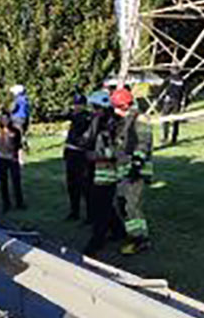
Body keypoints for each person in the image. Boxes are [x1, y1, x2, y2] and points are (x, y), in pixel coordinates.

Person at [111, 88, 153, 255]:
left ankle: (140, 240)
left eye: (116, 107)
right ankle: (132, 234)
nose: (114, 110)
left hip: (136, 171)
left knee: (132, 206)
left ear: (123, 105)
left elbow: (143, 143)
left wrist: (136, 165)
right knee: (123, 204)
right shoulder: (126, 119)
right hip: (125, 170)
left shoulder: (140, 119)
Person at [83, 91, 125, 255]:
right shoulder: (98, 122)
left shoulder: (115, 125)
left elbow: (118, 150)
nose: (93, 111)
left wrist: (97, 155)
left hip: (107, 172)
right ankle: (118, 231)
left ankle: (96, 241)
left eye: (95, 108)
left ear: (104, 107)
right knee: (101, 204)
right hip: (95, 170)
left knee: (100, 208)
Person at [62, 93, 93, 220]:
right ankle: (74, 211)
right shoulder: (74, 116)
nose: (77, 107)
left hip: (81, 153)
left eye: (79, 104)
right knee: (72, 184)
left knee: (85, 185)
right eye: (75, 104)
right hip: (71, 151)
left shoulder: (86, 117)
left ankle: (90, 214)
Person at [0, 111, 26, 212]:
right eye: (2, 119)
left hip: (12, 158)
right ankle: (6, 203)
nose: (4, 121)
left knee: (16, 181)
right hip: (1, 158)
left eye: (6, 118)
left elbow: (19, 146)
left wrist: (20, 158)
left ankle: (19, 203)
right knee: (3, 182)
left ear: (9, 119)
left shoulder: (15, 131)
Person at [158, 71, 187, 145]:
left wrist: (161, 98)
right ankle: (173, 138)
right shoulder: (182, 80)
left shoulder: (169, 79)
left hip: (170, 101)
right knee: (174, 120)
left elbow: (162, 89)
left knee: (165, 118)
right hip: (176, 101)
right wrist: (183, 103)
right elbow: (185, 93)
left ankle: (166, 137)